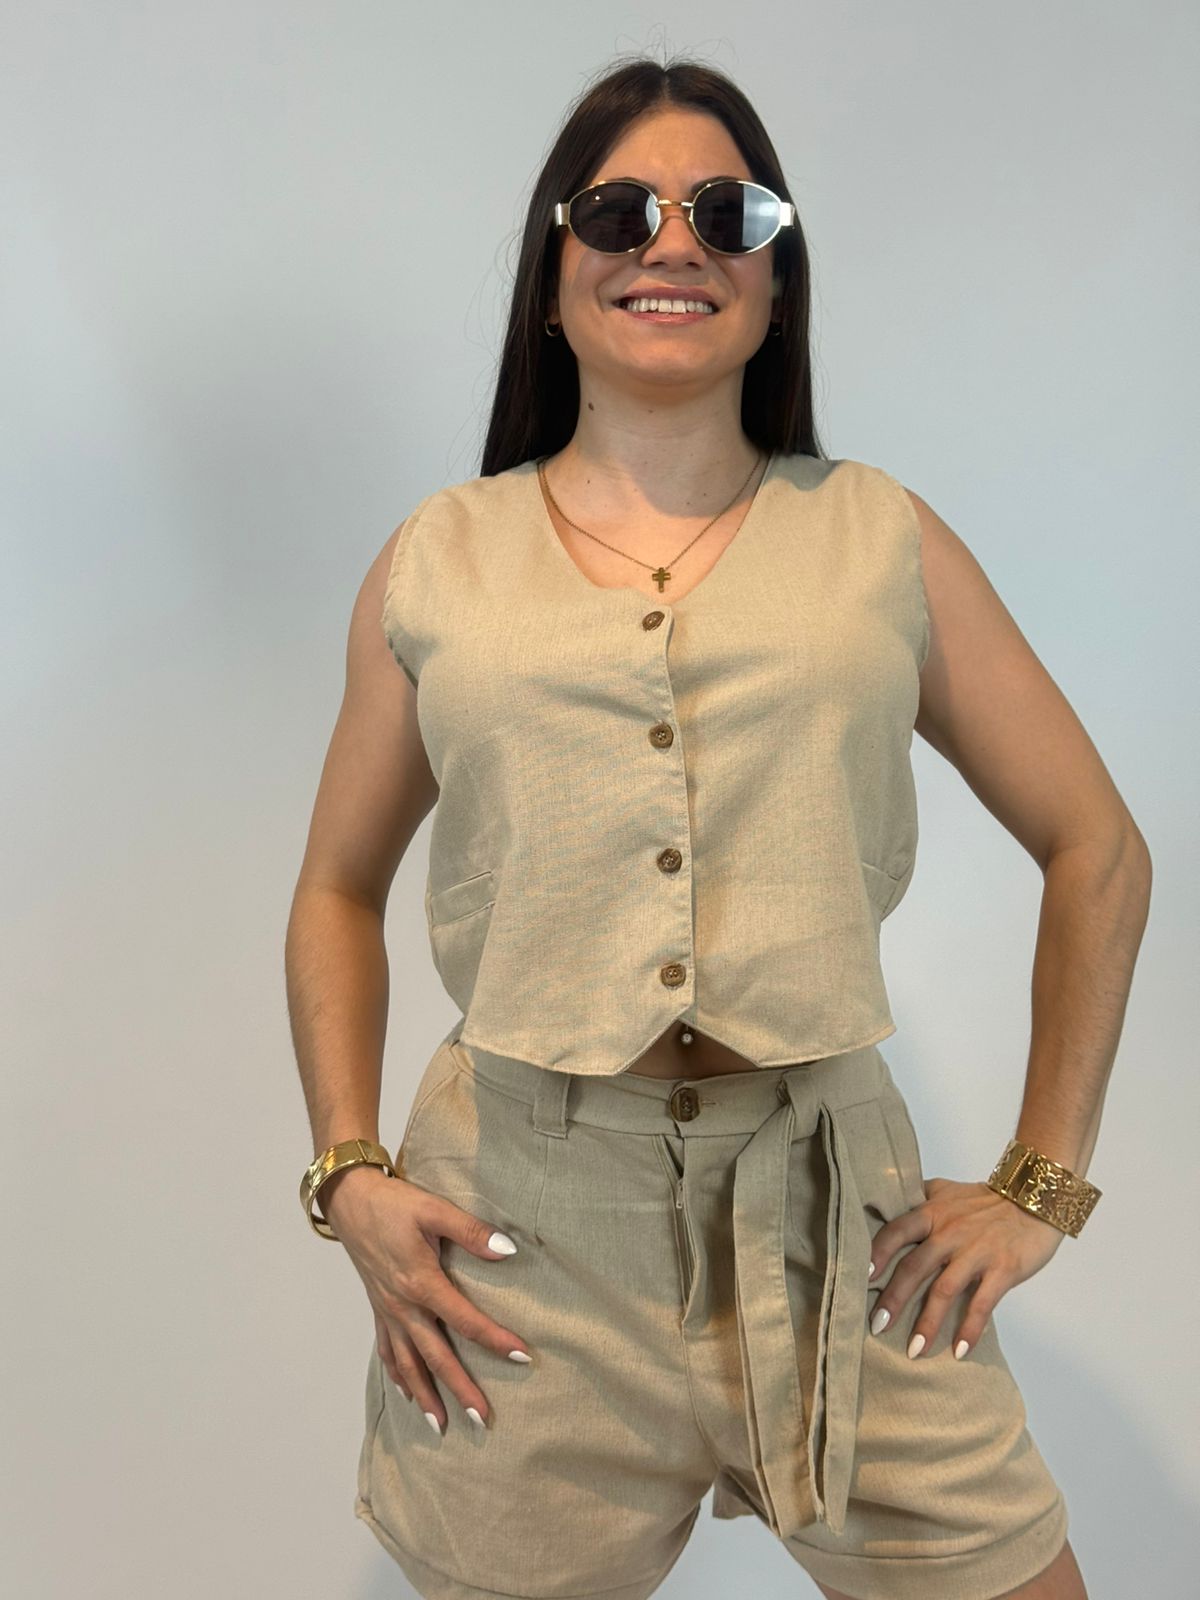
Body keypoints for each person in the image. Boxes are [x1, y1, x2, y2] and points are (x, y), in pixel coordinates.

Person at [286, 55, 1150, 1600]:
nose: (672, 242)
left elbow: (1099, 849)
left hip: (842, 1227)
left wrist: (1043, 1186)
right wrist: (347, 1169)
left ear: (775, 280)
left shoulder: (881, 540)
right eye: (620, 211)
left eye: (727, 213)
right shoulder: (438, 562)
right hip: (516, 1251)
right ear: (555, 276)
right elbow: (337, 889)